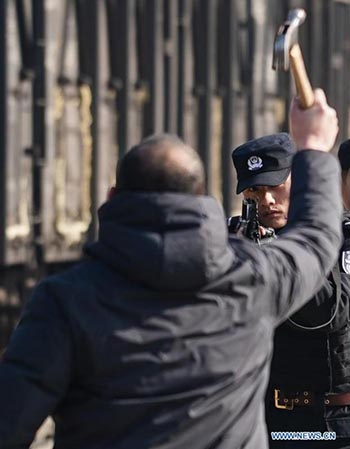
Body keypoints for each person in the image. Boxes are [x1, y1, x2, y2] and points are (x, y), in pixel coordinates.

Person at [0, 90, 342, 449]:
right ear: (199, 197)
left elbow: (11, 423)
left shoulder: (62, 302)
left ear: (113, 198)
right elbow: (316, 238)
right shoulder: (252, 280)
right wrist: (314, 148)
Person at [231, 94, 350, 448]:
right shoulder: (239, 241)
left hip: (334, 422)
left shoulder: (339, 236)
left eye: (275, 187)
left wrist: (279, 253)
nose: (266, 201)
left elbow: (330, 312)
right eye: (255, 191)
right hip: (271, 419)